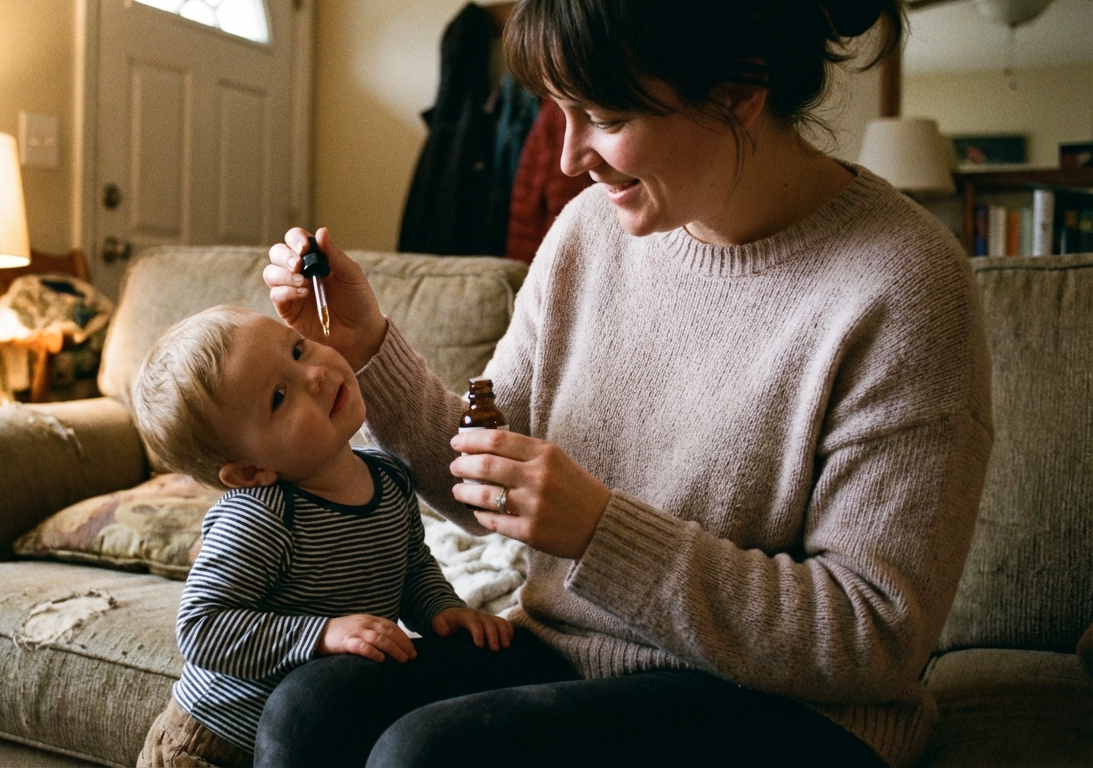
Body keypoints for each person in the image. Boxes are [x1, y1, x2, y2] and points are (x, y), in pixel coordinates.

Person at [257, 0, 993, 765]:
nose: (571, 156)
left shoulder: (905, 282)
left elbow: (872, 635)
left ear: (740, 92)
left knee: (431, 755)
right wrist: (366, 347)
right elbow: (484, 485)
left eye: (604, 117)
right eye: (558, 111)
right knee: (310, 710)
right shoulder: (588, 232)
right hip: (570, 656)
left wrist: (602, 532)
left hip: (793, 710)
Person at [128, 305, 514, 767]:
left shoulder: (389, 477)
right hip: (216, 740)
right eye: (277, 396)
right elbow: (201, 627)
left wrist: (442, 608)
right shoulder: (261, 517)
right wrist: (322, 633)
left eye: (296, 348)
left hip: (319, 729)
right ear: (251, 470)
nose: (312, 374)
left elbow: (410, 563)